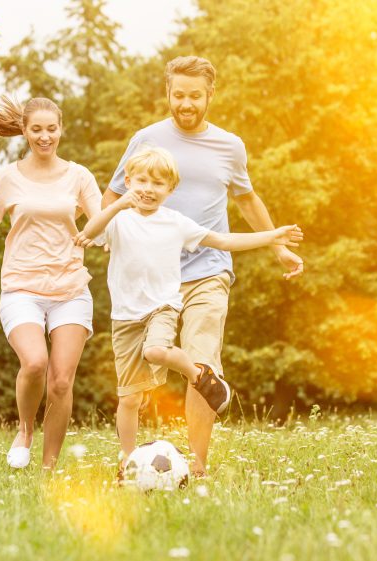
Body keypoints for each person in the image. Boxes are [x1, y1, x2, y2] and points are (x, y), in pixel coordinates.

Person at [104, 56, 305, 476]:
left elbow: (247, 200)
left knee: (201, 365)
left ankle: (196, 464)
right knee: (139, 376)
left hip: (208, 271)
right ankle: (132, 460)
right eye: (178, 95)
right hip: (153, 279)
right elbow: (113, 196)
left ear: (210, 95)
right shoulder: (146, 140)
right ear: (168, 93)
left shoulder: (229, 146)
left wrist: (277, 248)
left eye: (195, 96)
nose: (186, 104)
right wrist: (111, 238)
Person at [77, 147, 302, 475]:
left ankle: (200, 375)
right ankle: (127, 463)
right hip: (125, 317)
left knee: (156, 350)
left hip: (161, 308)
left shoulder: (175, 223)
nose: (148, 189)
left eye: (158, 183)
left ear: (170, 190)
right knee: (129, 399)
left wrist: (272, 238)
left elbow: (223, 242)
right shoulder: (118, 220)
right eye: (141, 180)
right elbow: (90, 232)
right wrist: (119, 204)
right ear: (127, 181)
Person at [0, 96, 102, 470]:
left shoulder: (79, 176)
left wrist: (101, 233)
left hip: (70, 288)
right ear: (25, 131)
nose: (45, 137)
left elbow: (100, 221)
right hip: (21, 286)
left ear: (61, 129)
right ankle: (25, 429)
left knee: (61, 382)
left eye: (52, 129)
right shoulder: (8, 177)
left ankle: (47, 469)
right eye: (37, 130)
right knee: (34, 362)